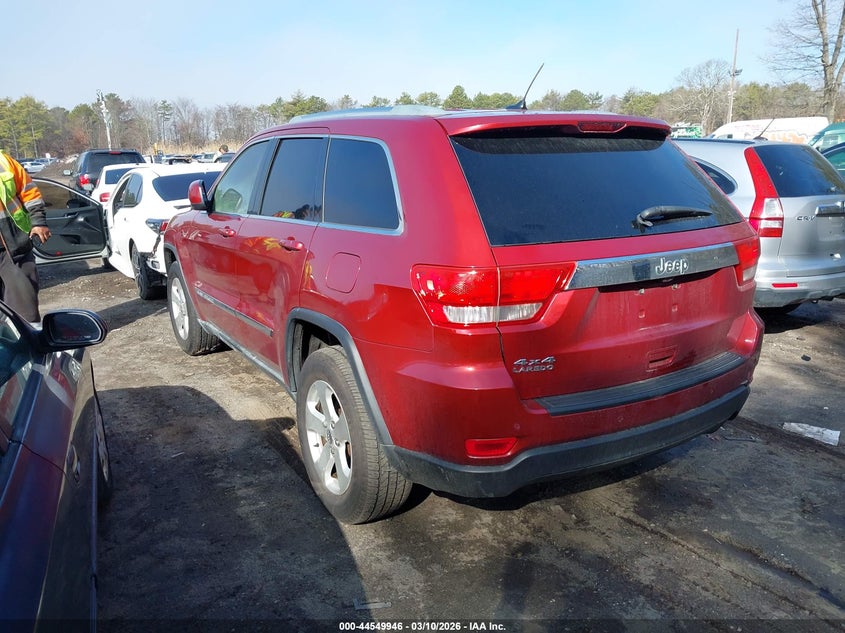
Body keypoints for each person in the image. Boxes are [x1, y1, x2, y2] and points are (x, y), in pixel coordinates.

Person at [0, 151, 51, 322]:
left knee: (24, 306)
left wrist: (38, 222)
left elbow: (29, 192)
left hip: (12, 246)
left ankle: (28, 345)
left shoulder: (5, 162)